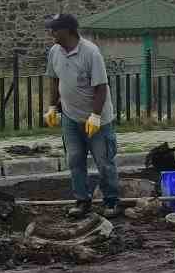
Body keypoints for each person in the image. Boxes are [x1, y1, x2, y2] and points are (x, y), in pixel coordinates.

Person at [42, 13, 122, 219]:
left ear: (68, 30)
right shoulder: (55, 52)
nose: (51, 33)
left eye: (54, 29)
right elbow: (54, 80)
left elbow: (101, 87)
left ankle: (111, 201)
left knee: (104, 161)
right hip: (70, 118)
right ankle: (82, 200)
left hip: (97, 120)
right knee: (74, 160)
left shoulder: (91, 52)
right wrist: (52, 107)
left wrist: (95, 116)